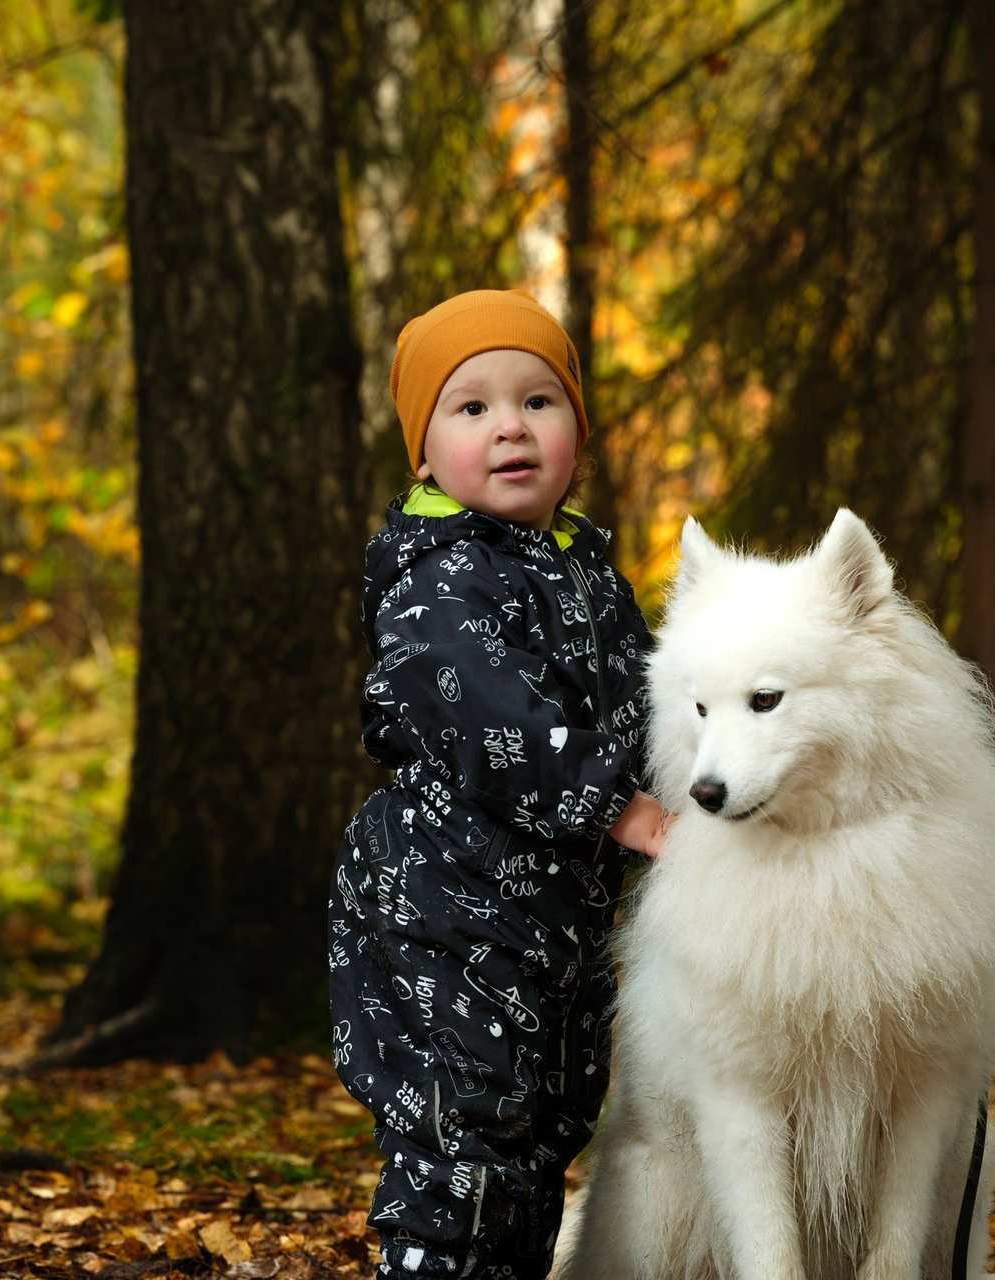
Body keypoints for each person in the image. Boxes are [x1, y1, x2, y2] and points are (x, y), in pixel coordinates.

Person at [328, 289, 672, 1280]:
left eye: (538, 400)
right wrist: (623, 806)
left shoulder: (586, 572)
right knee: (461, 1148)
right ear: (424, 455)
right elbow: (499, 721)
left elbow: (649, 702)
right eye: (469, 407)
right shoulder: (436, 580)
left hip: (553, 929)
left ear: (575, 433)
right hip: (444, 921)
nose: (510, 425)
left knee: (538, 1138)